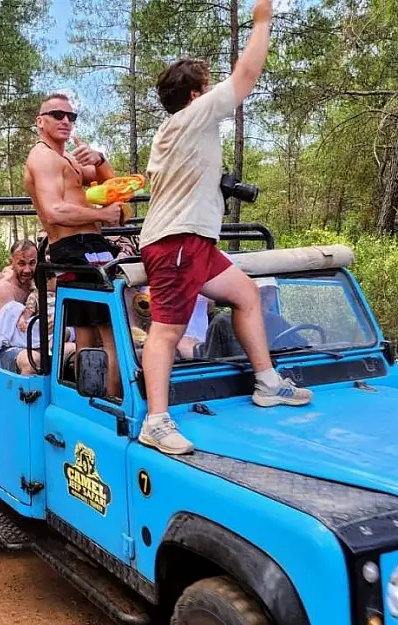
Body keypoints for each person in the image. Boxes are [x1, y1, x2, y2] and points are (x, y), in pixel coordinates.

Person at [137, 0, 311, 456]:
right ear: (195, 96)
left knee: (245, 294)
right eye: (207, 86)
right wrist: (262, 21)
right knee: (166, 330)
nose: (215, 91)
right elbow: (246, 77)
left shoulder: (179, 131)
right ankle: (156, 421)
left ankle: (268, 382)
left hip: (196, 241)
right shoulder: (189, 119)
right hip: (176, 241)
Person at [24, 92, 127, 397]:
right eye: (57, 115)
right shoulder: (42, 156)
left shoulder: (68, 158)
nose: (66, 121)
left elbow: (115, 190)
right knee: (112, 329)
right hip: (74, 246)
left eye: (71, 116)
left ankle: (90, 396)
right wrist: (103, 214)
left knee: (86, 328)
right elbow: (55, 210)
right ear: (40, 122)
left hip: (88, 245)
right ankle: (112, 402)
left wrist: (101, 160)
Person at [0, 240, 38, 332]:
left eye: (32, 263)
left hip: (31, 338)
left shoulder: (36, 285)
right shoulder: (3, 289)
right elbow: (15, 330)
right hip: (8, 344)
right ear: (11, 263)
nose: (27, 270)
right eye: (21, 263)